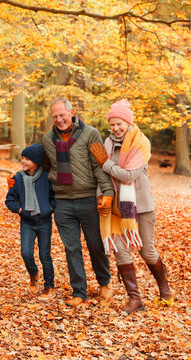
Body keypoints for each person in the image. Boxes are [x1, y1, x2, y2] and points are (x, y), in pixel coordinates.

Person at [89, 99, 174, 313]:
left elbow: (128, 176)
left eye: (120, 124)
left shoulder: (141, 143)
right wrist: (103, 196)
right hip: (115, 207)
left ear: (128, 122)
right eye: (112, 124)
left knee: (147, 251)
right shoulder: (107, 144)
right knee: (121, 252)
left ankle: (164, 288)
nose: (116, 128)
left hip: (141, 206)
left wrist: (105, 164)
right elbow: (102, 177)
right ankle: (135, 299)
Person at [41, 97, 115, 307]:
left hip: (88, 199)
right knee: (71, 248)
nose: (59, 119)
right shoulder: (47, 140)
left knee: (95, 244)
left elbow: (98, 165)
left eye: (62, 115)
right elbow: (44, 167)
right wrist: (20, 179)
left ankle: (104, 282)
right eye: (55, 116)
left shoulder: (90, 133)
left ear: (71, 112)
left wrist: (107, 192)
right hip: (62, 202)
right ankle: (79, 291)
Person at [5, 143, 56, 299]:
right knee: (26, 253)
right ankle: (33, 274)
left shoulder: (47, 177)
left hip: (44, 221)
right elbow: (10, 200)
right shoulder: (18, 178)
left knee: (44, 255)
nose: (23, 161)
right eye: (22, 158)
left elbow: (54, 197)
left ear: (37, 161)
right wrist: (20, 210)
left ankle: (49, 286)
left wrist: (49, 209)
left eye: (27, 159)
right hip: (26, 221)